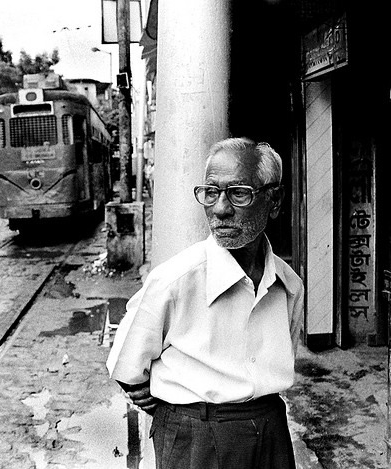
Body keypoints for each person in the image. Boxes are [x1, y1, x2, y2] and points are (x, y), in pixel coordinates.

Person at [107, 137, 304, 469]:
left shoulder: (288, 285)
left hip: (270, 429)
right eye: (211, 193)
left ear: (274, 201)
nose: (220, 209)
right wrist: (179, 410)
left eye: (239, 193)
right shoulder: (175, 280)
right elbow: (128, 367)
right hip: (195, 435)